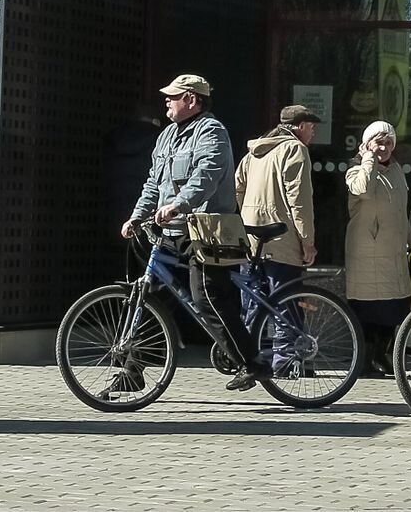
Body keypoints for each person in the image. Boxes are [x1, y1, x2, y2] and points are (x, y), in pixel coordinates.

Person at [121, 73, 266, 392]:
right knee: (150, 296)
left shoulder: (211, 132)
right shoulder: (166, 136)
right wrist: (137, 216)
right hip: (170, 231)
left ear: (192, 100)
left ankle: (251, 362)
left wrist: (178, 205)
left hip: (205, 231)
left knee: (208, 297)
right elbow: (153, 183)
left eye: (173, 96)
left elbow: (206, 177)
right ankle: (132, 371)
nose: (167, 101)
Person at [236, 104, 320, 375]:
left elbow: (238, 187)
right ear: (299, 126)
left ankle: (248, 358)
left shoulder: (255, 151)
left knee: (254, 302)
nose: (313, 132)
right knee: (287, 301)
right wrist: (307, 241)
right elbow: (299, 200)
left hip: (251, 237)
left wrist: (247, 215)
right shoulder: (294, 150)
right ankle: (286, 360)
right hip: (281, 237)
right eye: (311, 126)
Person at [345, 120, 411, 375]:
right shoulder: (356, 168)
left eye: (389, 143)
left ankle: (382, 355)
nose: (384, 148)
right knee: (368, 309)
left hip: (394, 251)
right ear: (367, 144)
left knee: (395, 307)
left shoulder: (396, 170)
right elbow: (363, 189)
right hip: (367, 251)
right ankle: (364, 361)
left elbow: (400, 212)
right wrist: (368, 159)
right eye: (379, 142)